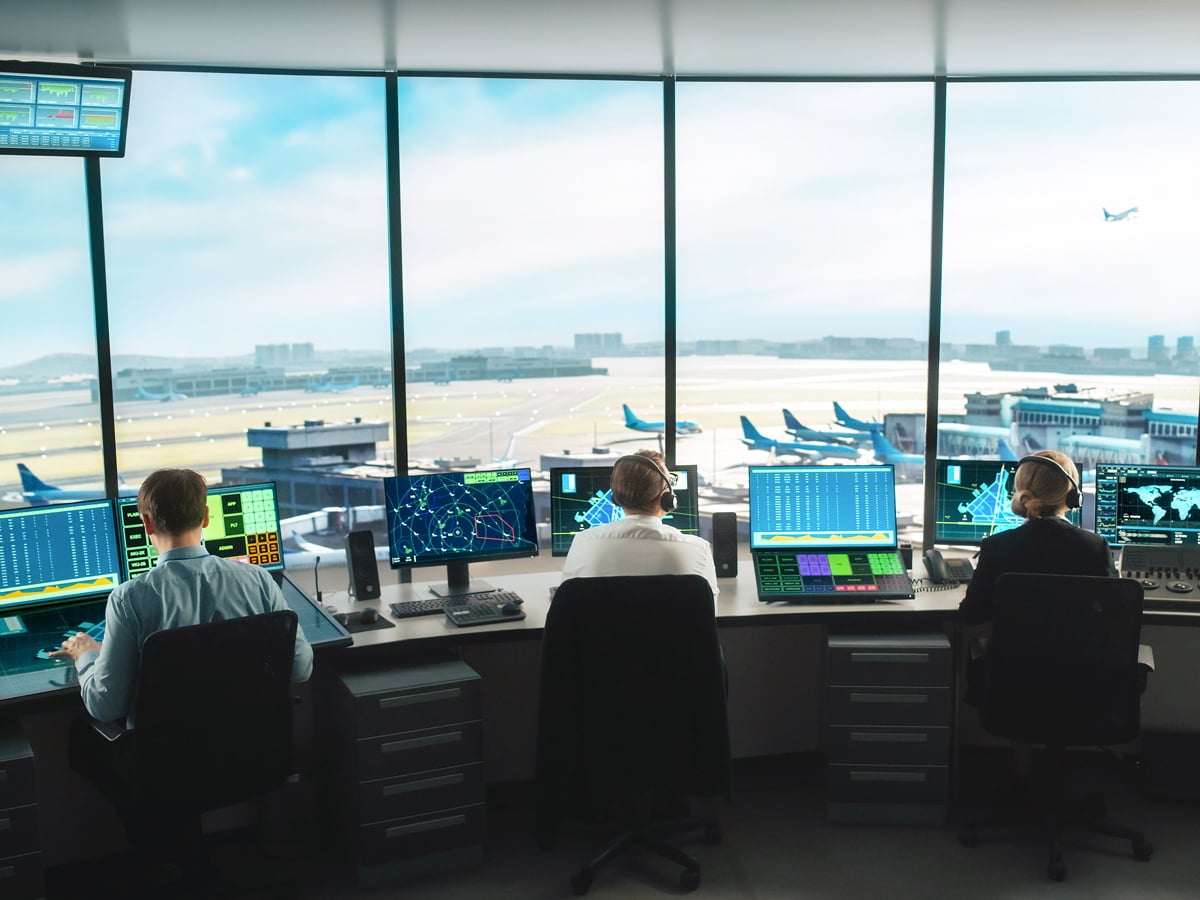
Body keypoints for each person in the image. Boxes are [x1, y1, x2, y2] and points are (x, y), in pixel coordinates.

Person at [53, 467, 313, 724]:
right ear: (206, 517)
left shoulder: (128, 599)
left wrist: (86, 654)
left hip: (169, 749)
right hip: (252, 742)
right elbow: (301, 669)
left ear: (146, 523)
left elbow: (105, 707)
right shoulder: (259, 581)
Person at [959, 450, 1115, 782]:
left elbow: (972, 615)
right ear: (1072, 495)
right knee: (1057, 671)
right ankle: (1056, 774)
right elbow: (1113, 615)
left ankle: (1021, 774)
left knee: (1023, 671)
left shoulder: (998, 547)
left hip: (1013, 683)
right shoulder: (1094, 547)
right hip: (1079, 681)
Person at [562, 449, 720, 599]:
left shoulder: (582, 544)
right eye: (670, 484)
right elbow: (708, 610)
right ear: (666, 499)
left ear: (616, 497)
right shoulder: (698, 551)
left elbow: (567, 605)